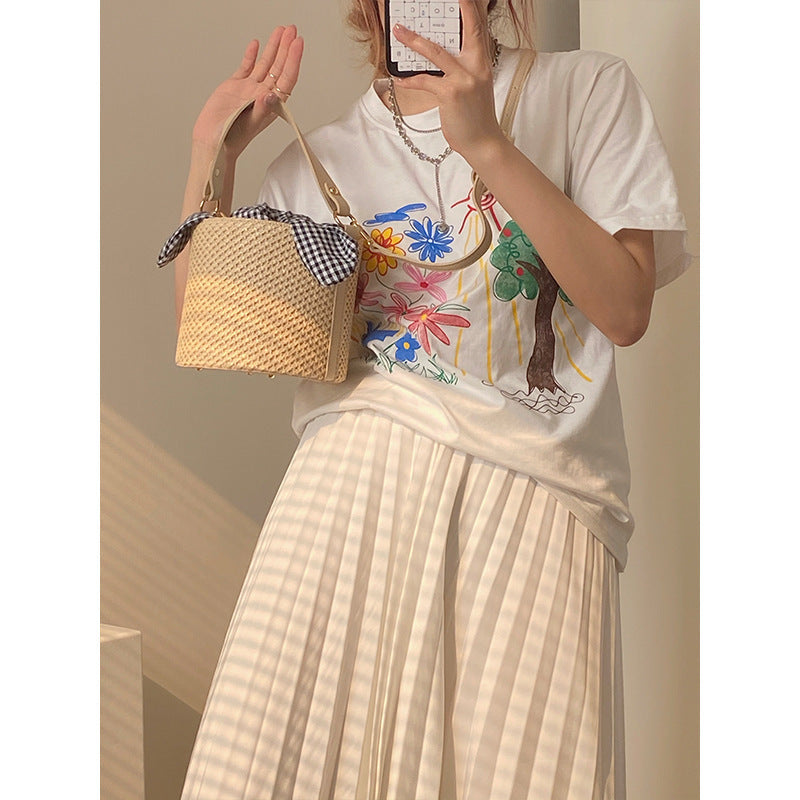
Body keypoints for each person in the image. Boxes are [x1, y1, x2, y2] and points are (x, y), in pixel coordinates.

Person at [172, 1, 691, 798]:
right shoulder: (326, 155)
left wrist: (487, 145)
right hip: (344, 495)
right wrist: (213, 153)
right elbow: (212, 328)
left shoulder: (584, 91)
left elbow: (625, 310)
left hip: (536, 497)